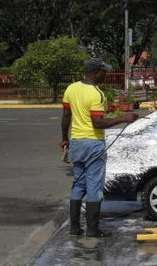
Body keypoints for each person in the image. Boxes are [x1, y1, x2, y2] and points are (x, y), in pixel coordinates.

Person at [60, 58, 138, 238]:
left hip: (77, 142)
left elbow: (66, 116)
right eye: (104, 71)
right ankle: (93, 230)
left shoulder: (71, 89)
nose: (106, 74)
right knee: (94, 186)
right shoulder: (96, 94)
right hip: (93, 143)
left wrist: (64, 138)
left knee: (79, 184)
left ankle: (74, 228)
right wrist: (124, 119)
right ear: (95, 73)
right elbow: (98, 123)